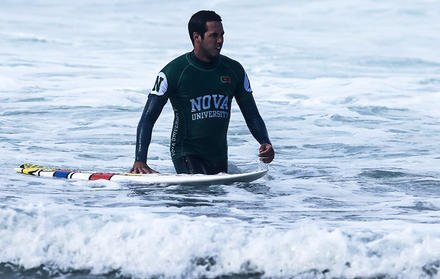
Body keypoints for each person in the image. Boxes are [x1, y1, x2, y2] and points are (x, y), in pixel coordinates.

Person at [130, 10, 274, 175]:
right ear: (196, 37)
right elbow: (148, 119)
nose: (220, 40)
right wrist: (140, 160)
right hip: (186, 152)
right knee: (199, 195)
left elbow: (252, 114)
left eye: (222, 35)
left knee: (220, 196)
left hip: (219, 154)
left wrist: (265, 142)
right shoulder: (173, 72)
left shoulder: (234, 70)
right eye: (214, 36)